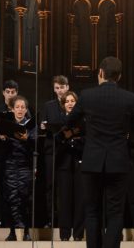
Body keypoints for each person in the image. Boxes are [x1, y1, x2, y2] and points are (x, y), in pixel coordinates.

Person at [66, 56, 134, 248]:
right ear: (119, 76)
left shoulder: (87, 95)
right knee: (115, 213)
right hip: (118, 161)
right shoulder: (129, 98)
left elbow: (70, 122)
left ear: (100, 73)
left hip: (92, 160)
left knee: (92, 211)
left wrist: (88, 128)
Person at [1, 95, 35, 241]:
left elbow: (36, 145)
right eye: (17, 107)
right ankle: (12, 231)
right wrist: (2, 138)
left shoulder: (31, 125)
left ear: (26, 110)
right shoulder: (6, 124)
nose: (20, 110)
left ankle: (26, 231)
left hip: (24, 166)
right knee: (11, 199)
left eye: (22, 107)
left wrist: (28, 139)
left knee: (24, 198)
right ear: (12, 109)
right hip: (10, 165)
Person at [39, 75, 70, 228]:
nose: (60, 91)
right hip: (52, 149)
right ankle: (51, 219)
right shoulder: (48, 105)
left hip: (69, 150)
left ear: (67, 87)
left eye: (62, 87)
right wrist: (44, 126)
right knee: (50, 186)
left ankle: (66, 220)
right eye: (57, 88)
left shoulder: (72, 103)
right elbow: (42, 125)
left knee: (66, 187)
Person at [0, 80, 20, 228]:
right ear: (3, 93)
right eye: (7, 92)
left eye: (13, 92)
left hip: (16, 154)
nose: (10, 95)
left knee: (15, 189)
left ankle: (16, 220)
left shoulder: (21, 109)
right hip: (0, 154)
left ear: (17, 93)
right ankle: (0, 219)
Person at [57, 91, 85, 241]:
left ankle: (79, 235)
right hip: (64, 164)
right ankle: (64, 235)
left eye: (72, 101)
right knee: (65, 200)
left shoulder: (83, 121)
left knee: (80, 200)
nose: (69, 103)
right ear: (63, 105)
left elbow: (87, 140)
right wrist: (66, 139)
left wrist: (74, 140)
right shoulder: (60, 121)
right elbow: (56, 141)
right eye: (67, 101)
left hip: (80, 162)